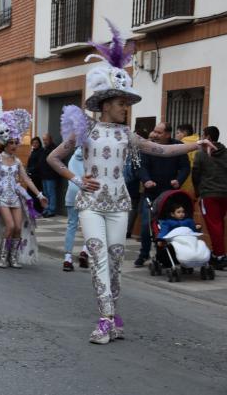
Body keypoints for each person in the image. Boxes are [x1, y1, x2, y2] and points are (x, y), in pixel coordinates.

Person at [46, 20, 216, 344]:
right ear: (106, 103)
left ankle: (113, 313)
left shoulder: (127, 134)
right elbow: (54, 157)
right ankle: (105, 318)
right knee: (96, 253)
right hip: (92, 204)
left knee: (114, 261)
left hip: (119, 204)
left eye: (127, 102)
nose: (126, 108)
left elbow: (164, 149)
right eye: (122, 102)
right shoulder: (85, 130)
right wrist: (77, 179)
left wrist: (196, 144)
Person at [0, 97, 48, 268]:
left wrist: (39, 195)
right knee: (11, 225)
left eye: (16, 142)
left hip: (15, 196)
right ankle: (2, 257)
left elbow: (26, 179)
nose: (14, 145)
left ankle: (12, 257)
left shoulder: (17, 162)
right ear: (4, 144)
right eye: (11, 143)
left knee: (18, 228)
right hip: (1, 197)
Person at [134, 122, 190, 267]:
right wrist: (146, 180)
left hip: (169, 194)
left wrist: (179, 180)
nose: (155, 135)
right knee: (147, 224)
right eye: (154, 131)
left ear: (167, 134)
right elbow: (141, 166)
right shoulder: (148, 147)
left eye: (159, 132)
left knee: (167, 225)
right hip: (151, 193)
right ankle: (144, 254)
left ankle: (166, 255)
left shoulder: (178, 147)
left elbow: (185, 167)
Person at [193, 126, 227, 270]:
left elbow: (195, 174)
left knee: (214, 226)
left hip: (209, 194)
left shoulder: (201, 154)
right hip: (225, 194)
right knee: (219, 224)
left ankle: (220, 256)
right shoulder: (226, 153)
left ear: (207, 136)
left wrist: (197, 192)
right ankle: (217, 254)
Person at [62, 147, 89, 271]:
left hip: (72, 193)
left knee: (71, 224)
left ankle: (67, 258)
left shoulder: (73, 158)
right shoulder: (91, 157)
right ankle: (85, 250)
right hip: (87, 193)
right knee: (89, 225)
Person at [175, 123, 199, 197]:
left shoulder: (181, 145)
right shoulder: (199, 143)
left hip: (184, 180)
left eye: (178, 133)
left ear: (184, 133)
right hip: (197, 181)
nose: (176, 135)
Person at [40, 133, 60, 217]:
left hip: (51, 175)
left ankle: (51, 210)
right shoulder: (44, 148)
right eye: (43, 140)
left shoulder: (54, 148)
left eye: (46, 140)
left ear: (50, 139)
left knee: (51, 193)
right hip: (44, 175)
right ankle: (46, 208)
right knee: (46, 193)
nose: (44, 141)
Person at [27, 137, 45, 212]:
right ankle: (31, 209)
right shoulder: (33, 151)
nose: (35, 144)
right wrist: (27, 170)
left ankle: (38, 209)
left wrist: (31, 170)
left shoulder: (41, 151)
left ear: (39, 143)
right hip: (31, 176)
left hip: (37, 176)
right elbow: (30, 163)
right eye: (33, 143)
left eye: (36, 143)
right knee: (30, 192)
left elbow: (39, 164)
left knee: (36, 193)